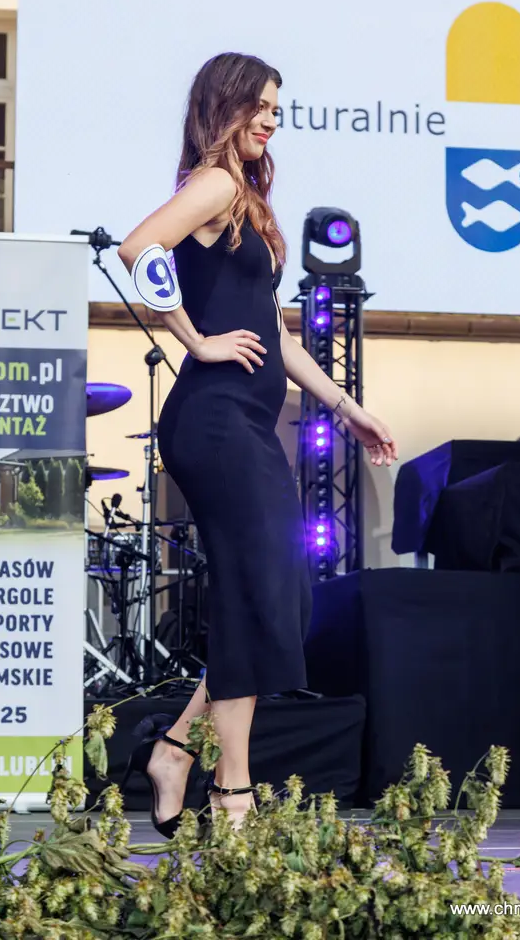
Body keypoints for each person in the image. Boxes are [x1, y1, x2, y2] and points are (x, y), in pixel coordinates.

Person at [118, 52, 398, 833]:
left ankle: (176, 747)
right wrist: (195, 340)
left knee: (281, 597)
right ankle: (230, 786)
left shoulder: (245, 199)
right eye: (261, 106)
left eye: (278, 109)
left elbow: (278, 338)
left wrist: (346, 407)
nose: (273, 120)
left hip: (242, 423)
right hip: (212, 421)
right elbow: (137, 249)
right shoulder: (212, 183)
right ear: (226, 105)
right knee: (260, 594)